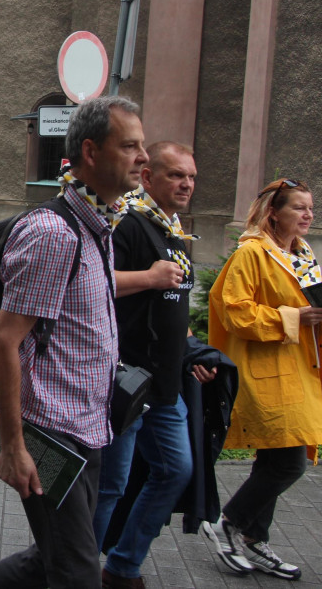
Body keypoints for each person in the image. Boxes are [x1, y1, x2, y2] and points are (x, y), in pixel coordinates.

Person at [0, 96, 148, 588]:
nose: (143, 157)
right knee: (78, 572)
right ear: (90, 151)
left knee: (55, 558)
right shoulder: (54, 234)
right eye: (130, 146)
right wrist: (14, 446)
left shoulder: (97, 227)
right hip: (45, 434)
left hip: (86, 424)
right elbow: (3, 343)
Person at [93, 141, 207, 588]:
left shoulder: (172, 228)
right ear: (150, 177)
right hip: (125, 380)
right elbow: (94, 280)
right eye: (177, 175)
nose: (187, 184)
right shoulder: (128, 222)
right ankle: (80, 572)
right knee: (110, 486)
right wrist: (148, 278)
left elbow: (173, 302)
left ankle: (122, 564)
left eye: (192, 177)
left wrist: (193, 351)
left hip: (164, 383)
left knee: (176, 470)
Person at [202, 178, 322, 581]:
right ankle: (227, 523)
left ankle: (253, 537)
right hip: (265, 373)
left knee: (275, 459)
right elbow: (234, 311)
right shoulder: (252, 254)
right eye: (299, 208)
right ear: (274, 212)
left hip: (299, 370)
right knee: (289, 464)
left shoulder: (302, 255)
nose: (308, 215)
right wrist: (294, 317)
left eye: (310, 208)